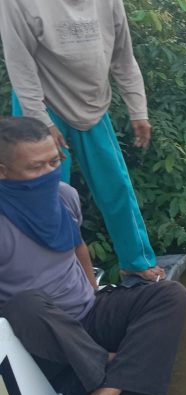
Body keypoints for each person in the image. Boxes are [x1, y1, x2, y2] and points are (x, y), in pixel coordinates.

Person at [0, 116, 186, 395]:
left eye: (54, 161)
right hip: (44, 338)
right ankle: (115, 370)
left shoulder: (64, 196)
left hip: (88, 313)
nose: (51, 172)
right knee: (26, 304)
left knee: (170, 294)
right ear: (3, 172)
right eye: (37, 167)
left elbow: (78, 248)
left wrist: (93, 289)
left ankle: (108, 388)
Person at [0, 0, 163, 278]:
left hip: (92, 102)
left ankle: (136, 262)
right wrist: (41, 122)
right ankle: (56, 278)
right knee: (45, 196)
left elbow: (123, 58)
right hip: (41, 102)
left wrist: (138, 111)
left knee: (116, 186)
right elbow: (20, 64)